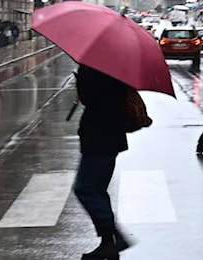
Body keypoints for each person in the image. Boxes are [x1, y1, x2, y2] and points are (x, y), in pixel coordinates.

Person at [73, 65, 131, 260]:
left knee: (85, 188)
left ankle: (113, 238)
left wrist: (80, 80)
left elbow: (91, 98)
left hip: (100, 136)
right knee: (96, 189)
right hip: (109, 136)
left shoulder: (95, 70)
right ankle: (110, 243)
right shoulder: (115, 68)